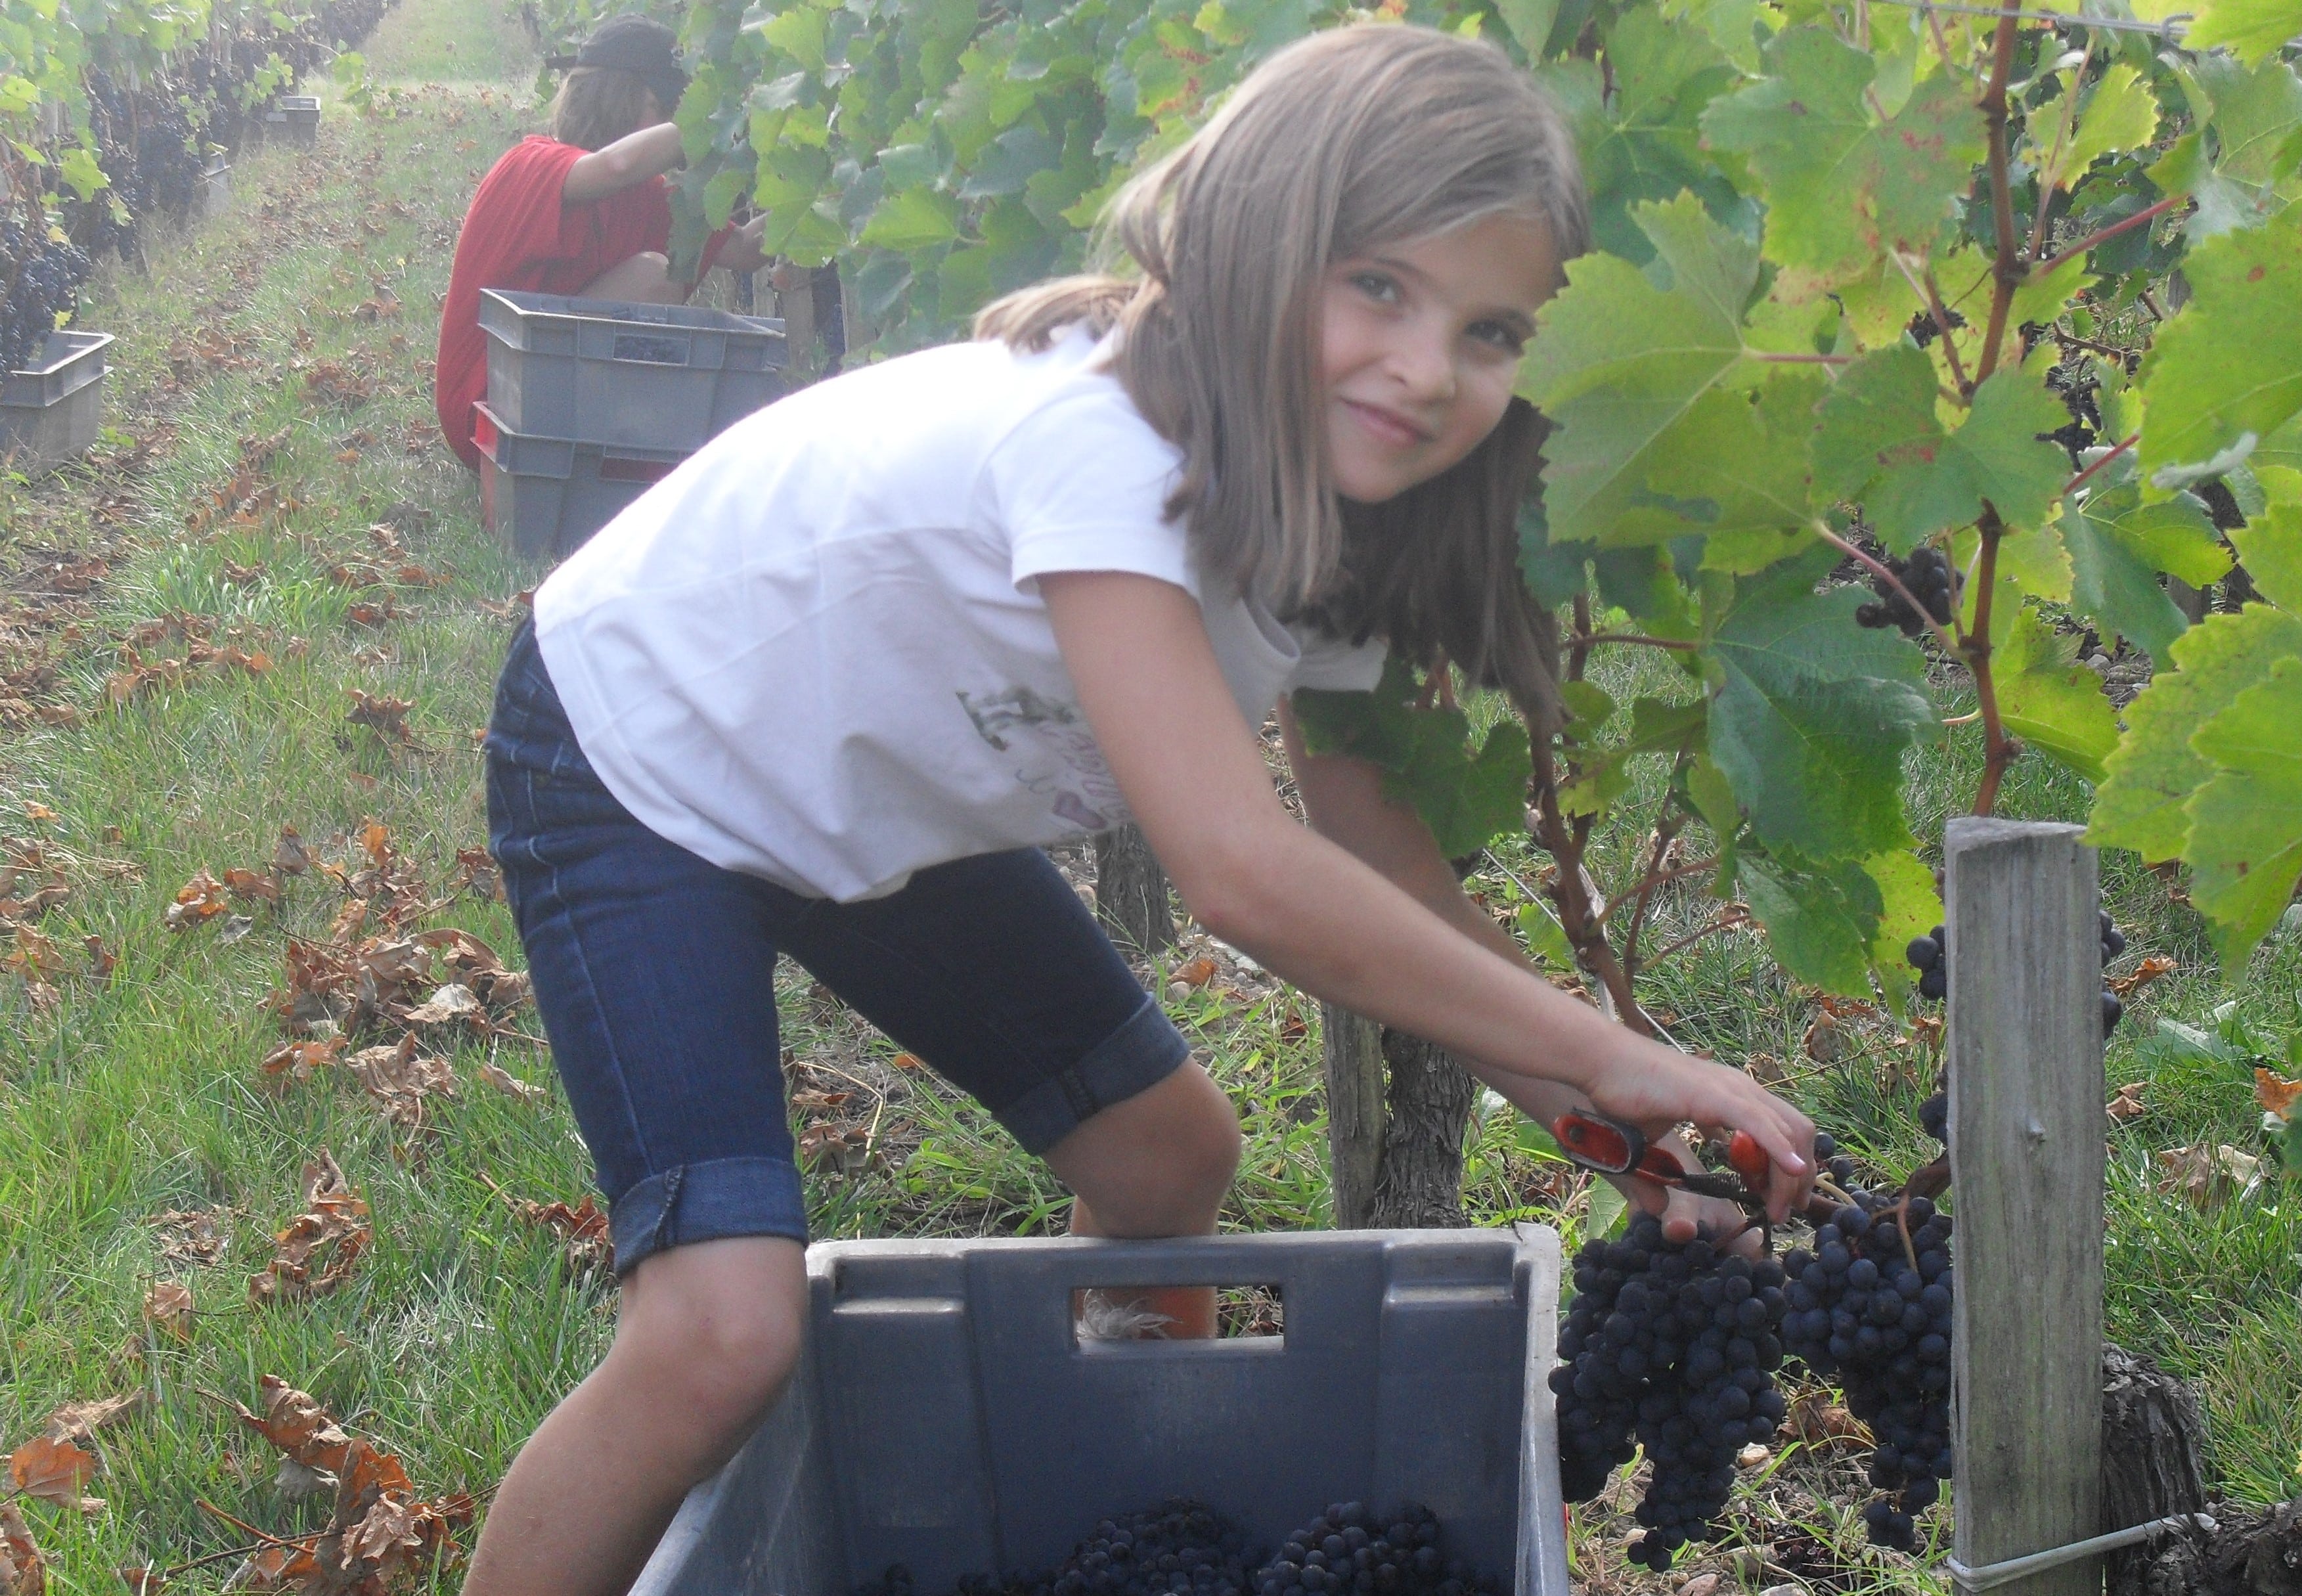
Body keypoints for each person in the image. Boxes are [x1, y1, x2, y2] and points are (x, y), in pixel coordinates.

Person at [467, 24, 1817, 1596]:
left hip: (865, 798)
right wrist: (1612, 1045)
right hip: (648, 754)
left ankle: (1085, 1515)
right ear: (1251, 244)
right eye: (1376, 286)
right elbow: (1239, 872)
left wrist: (1603, 1127)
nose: (1424, 368)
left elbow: (1374, 860)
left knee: (1167, 1161)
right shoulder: (1100, 445)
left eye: (1491, 330)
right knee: (721, 1331)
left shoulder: (1340, 529)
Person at [432, 15, 769, 468]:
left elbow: (746, 250)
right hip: (487, 409)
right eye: (665, 108)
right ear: (618, 98)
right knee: (655, 276)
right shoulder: (531, 165)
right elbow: (615, 166)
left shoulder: (646, 196)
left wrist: (824, 190)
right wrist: (721, 117)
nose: (672, 123)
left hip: (537, 401)